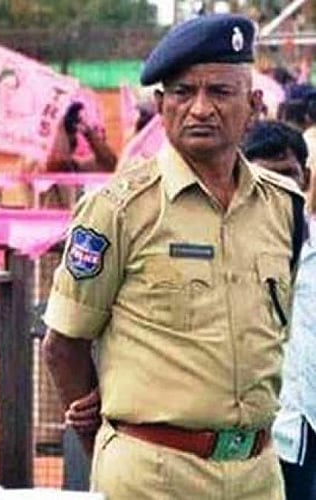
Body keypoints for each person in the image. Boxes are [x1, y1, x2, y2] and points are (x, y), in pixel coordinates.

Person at [41, 14, 305, 500]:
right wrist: (106, 441)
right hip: (154, 477)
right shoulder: (119, 209)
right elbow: (63, 345)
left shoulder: (284, 207)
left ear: (253, 105)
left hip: (259, 475)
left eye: (220, 93)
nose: (200, 108)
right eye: (183, 93)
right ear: (161, 106)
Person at [241, 121, 316, 500]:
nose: (279, 189)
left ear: (304, 179)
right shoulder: (230, 253)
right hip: (261, 433)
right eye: (265, 178)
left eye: (288, 175)